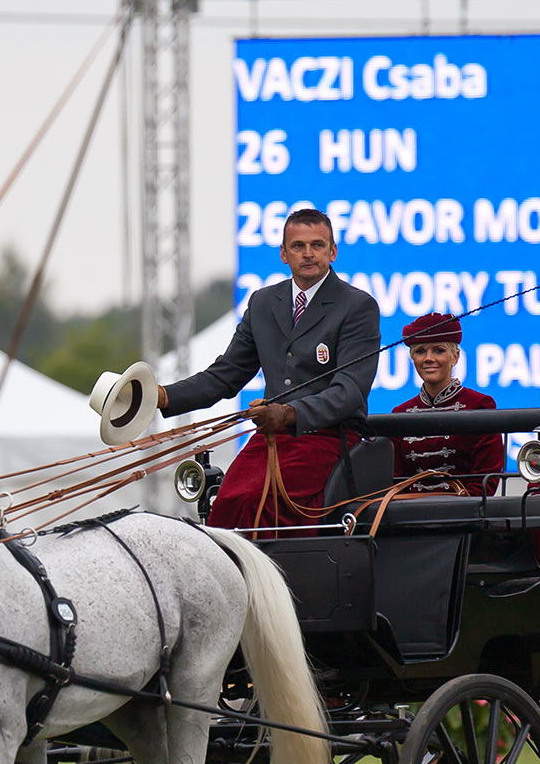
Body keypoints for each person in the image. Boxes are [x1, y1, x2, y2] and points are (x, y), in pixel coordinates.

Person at [157, 208, 380, 530]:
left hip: (328, 437)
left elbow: (349, 391)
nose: (308, 254)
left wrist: (290, 413)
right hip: (272, 437)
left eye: (317, 245)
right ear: (284, 254)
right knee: (227, 502)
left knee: (259, 501)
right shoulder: (263, 302)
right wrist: (163, 397)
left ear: (332, 252)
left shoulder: (357, 306)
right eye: (298, 246)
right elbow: (226, 374)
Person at [391, 313, 503, 495]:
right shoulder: (401, 413)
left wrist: (456, 505)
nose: (428, 358)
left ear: (455, 357)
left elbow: (486, 481)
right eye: (420, 351)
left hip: (464, 509)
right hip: (410, 509)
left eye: (438, 350)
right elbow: (395, 482)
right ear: (413, 358)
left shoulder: (479, 405)